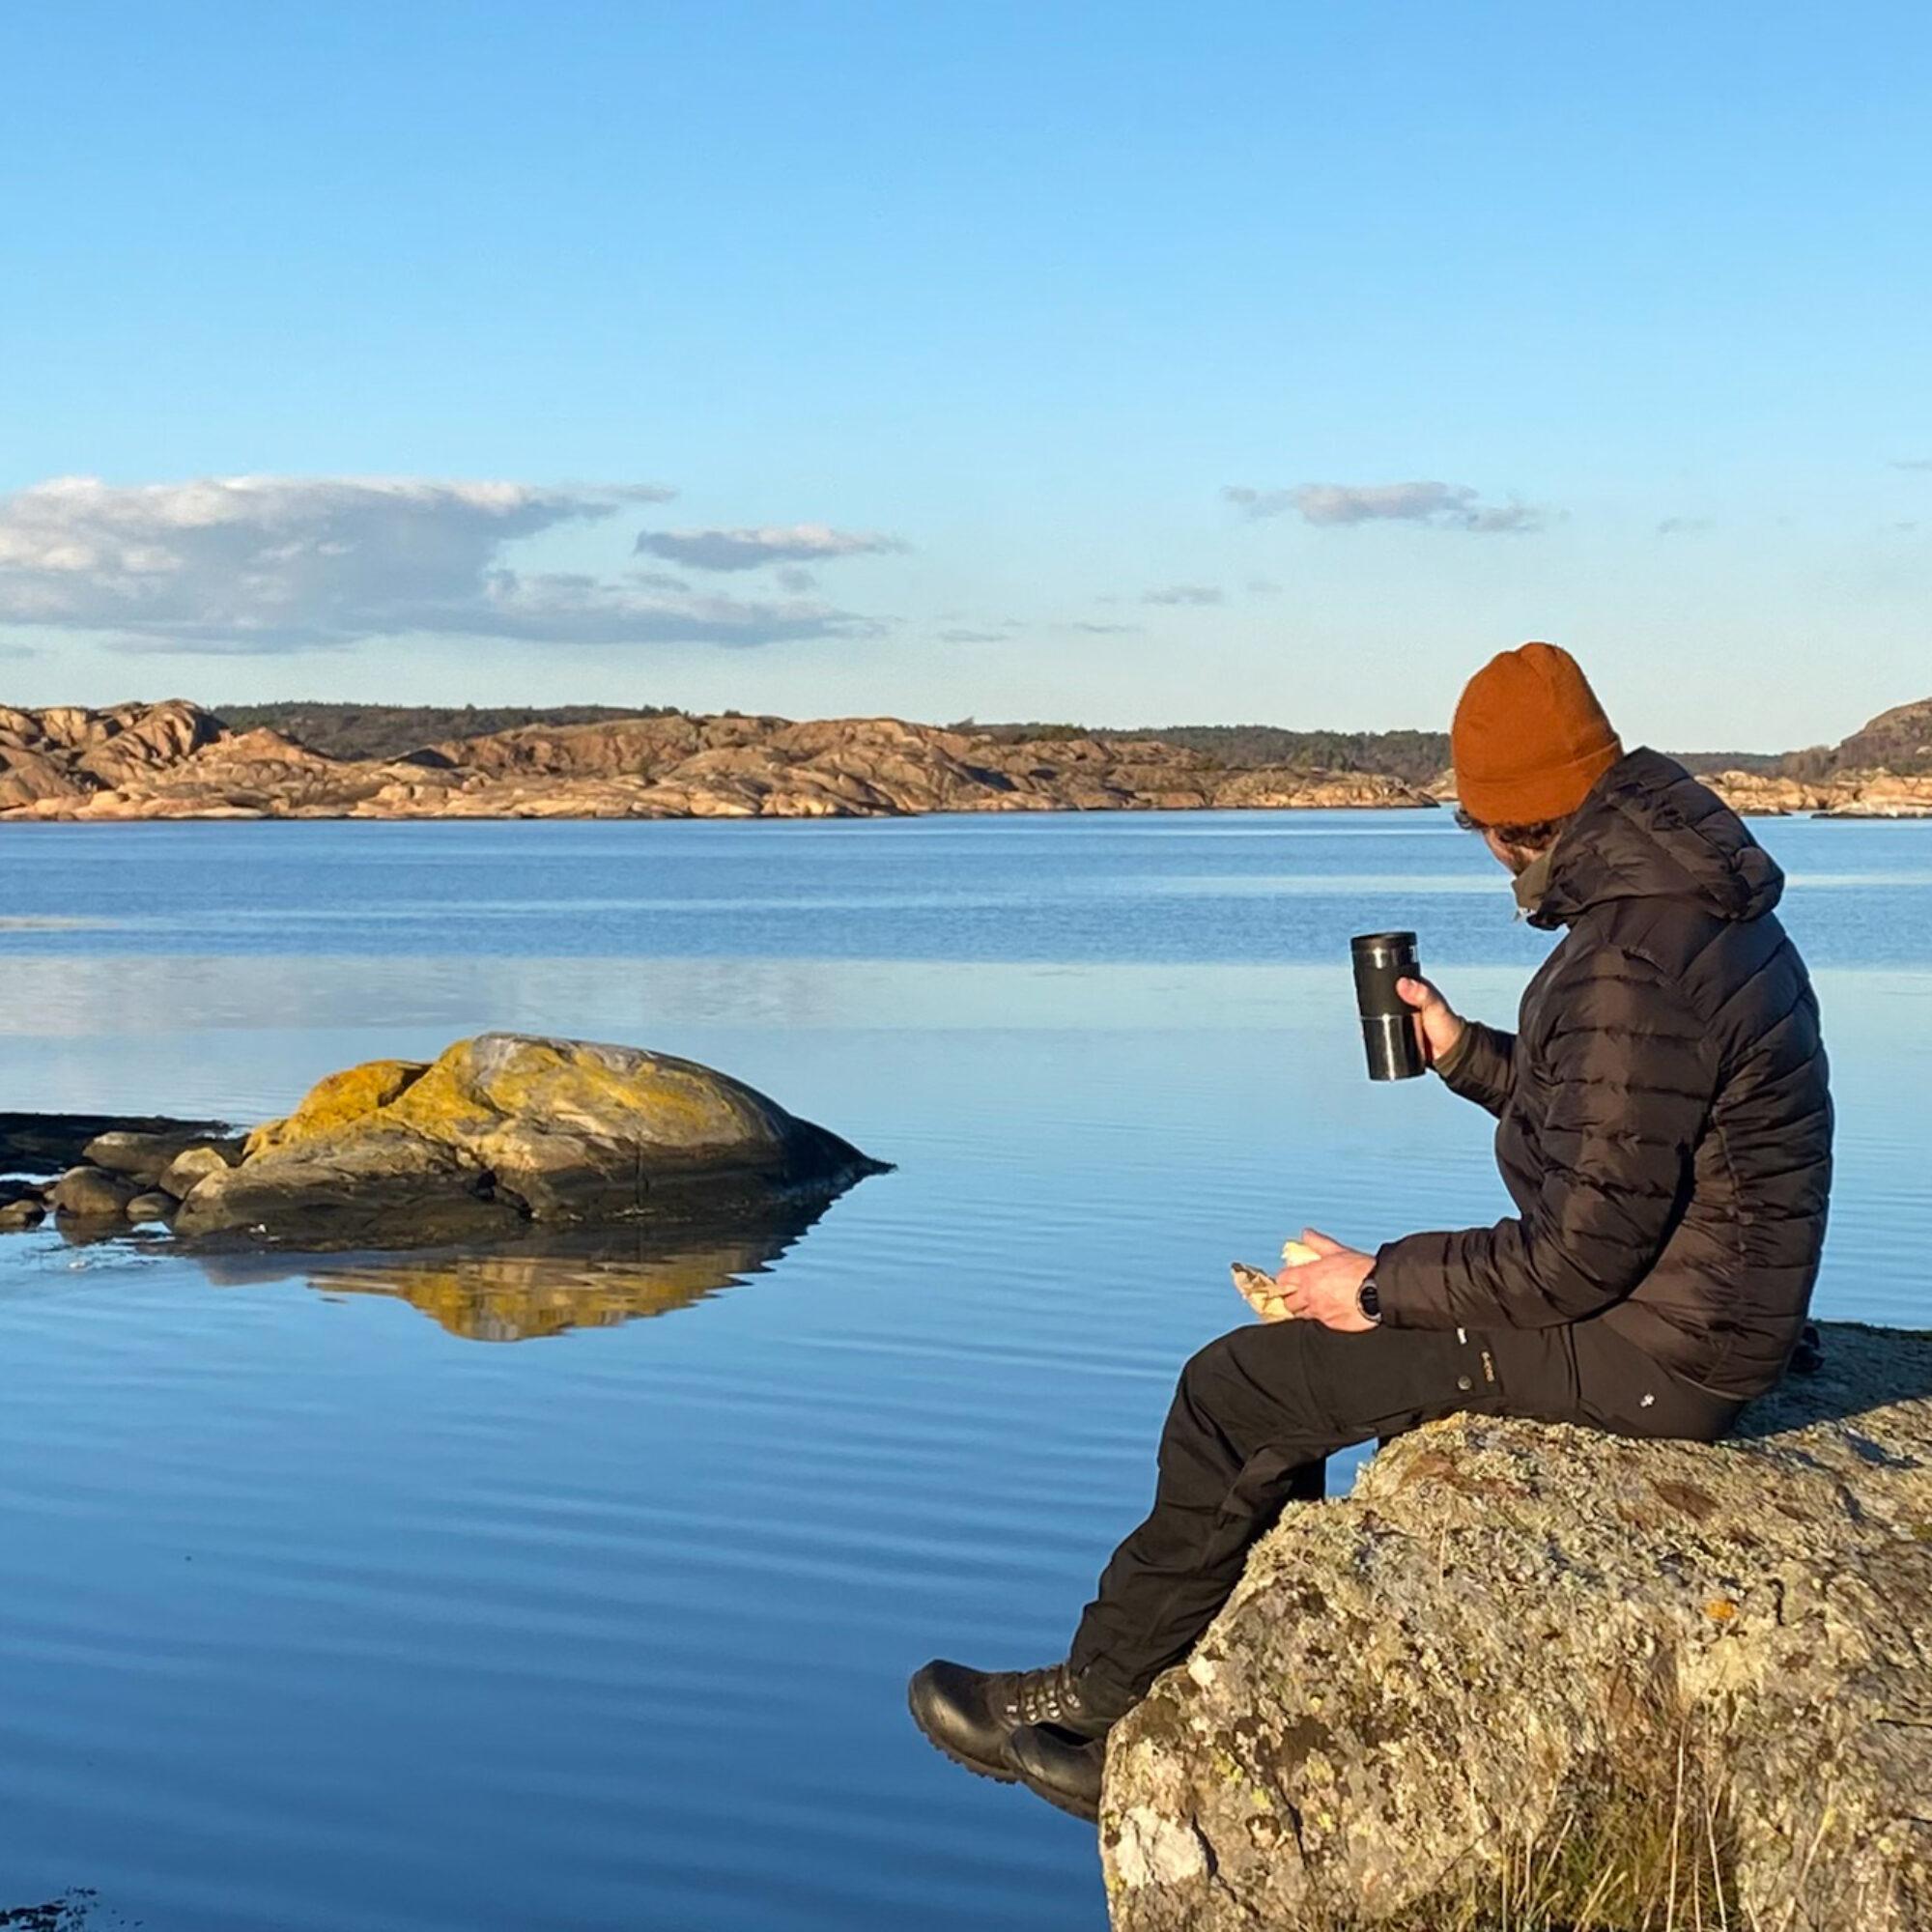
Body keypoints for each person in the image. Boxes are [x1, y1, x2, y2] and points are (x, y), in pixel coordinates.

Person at [907, 642, 1833, 1822]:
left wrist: (1376, 1285)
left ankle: (1097, 1700)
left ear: (1504, 821)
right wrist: (1464, 1052)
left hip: (1653, 1351)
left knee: (1234, 1388)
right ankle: (1187, 1683)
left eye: (1471, 821)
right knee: (1299, 1376)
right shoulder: (1689, 903)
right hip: (1700, 1311)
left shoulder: (1627, 959)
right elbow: (1625, 1125)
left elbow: (1577, 1252)